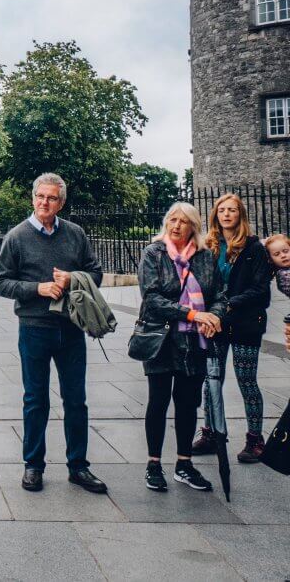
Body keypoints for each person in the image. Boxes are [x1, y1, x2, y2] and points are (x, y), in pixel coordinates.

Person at [0, 172, 106, 494]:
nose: (45, 202)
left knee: (76, 400)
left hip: (71, 328)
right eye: (40, 196)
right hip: (34, 328)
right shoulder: (17, 237)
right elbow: (0, 282)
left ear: (61, 202)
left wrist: (73, 279)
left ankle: (78, 467)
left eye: (52, 198)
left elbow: (95, 273)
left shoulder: (75, 234)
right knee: (35, 399)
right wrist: (37, 288)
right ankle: (33, 465)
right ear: (33, 198)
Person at [138, 202, 225, 493]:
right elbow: (151, 298)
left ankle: (184, 463)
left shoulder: (204, 257)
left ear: (193, 226)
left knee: (188, 403)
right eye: (172, 220)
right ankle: (153, 464)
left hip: (194, 341)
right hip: (161, 338)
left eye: (183, 221)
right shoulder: (154, 253)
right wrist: (192, 314)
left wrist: (214, 315)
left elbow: (219, 294)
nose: (176, 226)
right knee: (158, 400)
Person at [192, 195, 271, 463]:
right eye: (222, 210)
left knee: (246, 380)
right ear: (216, 214)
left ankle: (255, 439)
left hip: (246, 323)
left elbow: (261, 291)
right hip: (216, 323)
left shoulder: (254, 247)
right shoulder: (209, 246)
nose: (227, 214)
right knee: (210, 380)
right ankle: (211, 433)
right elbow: (200, 283)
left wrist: (229, 304)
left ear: (240, 215)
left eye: (232, 210)